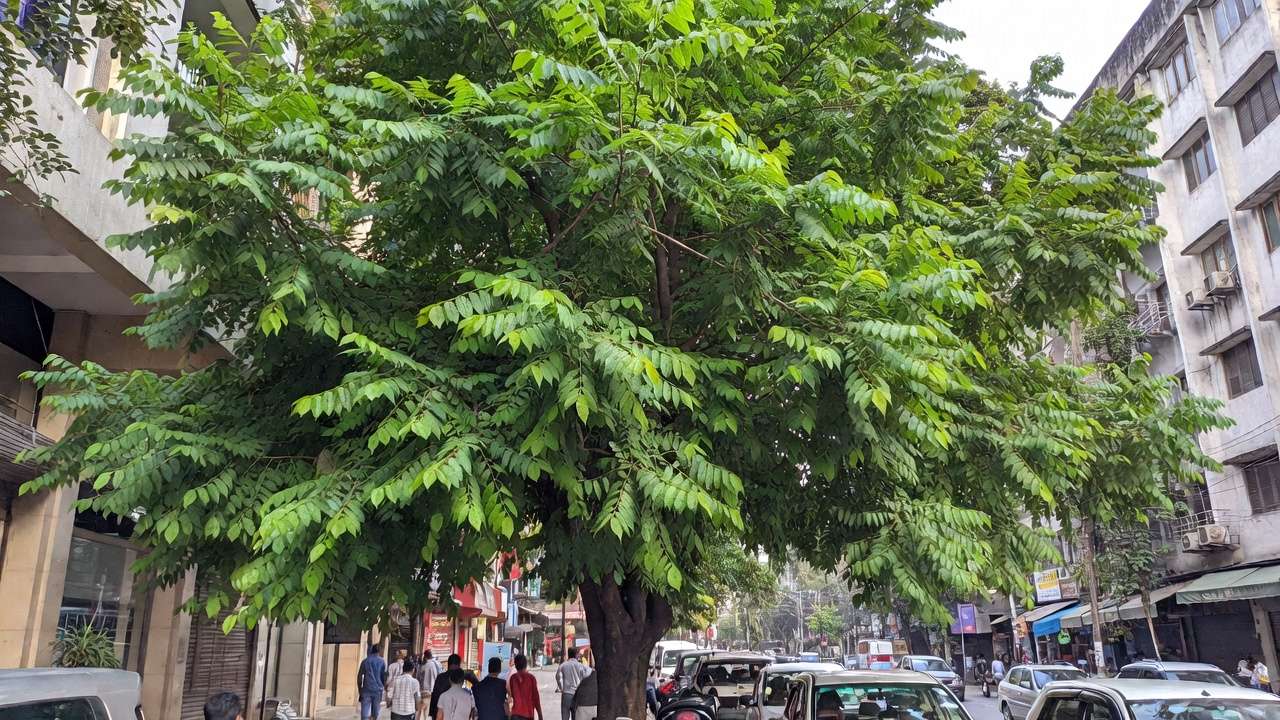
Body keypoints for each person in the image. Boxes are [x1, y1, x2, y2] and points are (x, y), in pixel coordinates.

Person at [431, 654, 480, 720]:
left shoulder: (440, 677)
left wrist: (433, 714)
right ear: (459, 665)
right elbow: (478, 686)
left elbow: (434, 698)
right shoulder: (464, 676)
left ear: (448, 664)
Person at [556, 647, 592, 720]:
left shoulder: (563, 665)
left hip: (566, 694)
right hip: (577, 694)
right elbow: (589, 671)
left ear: (568, 655)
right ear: (576, 655)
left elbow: (558, 676)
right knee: (575, 716)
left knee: (565, 716)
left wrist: (561, 687)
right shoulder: (580, 665)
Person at [359, 644, 390, 720]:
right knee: (375, 713)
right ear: (379, 651)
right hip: (378, 690)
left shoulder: (365, 661)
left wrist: (360, 689)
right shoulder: (382, 662)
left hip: (366, 689)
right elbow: (384, 677)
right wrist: (384, 687)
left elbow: (359, 677)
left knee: (364, 714)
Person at [509, 654, 544, 720]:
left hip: (515, 714)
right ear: (525, 665)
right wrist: (540, 715)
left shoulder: (513, 678)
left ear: (516, 665)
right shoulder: (531, 678)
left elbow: (513, 695)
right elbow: (536, 698)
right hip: (528, 714)